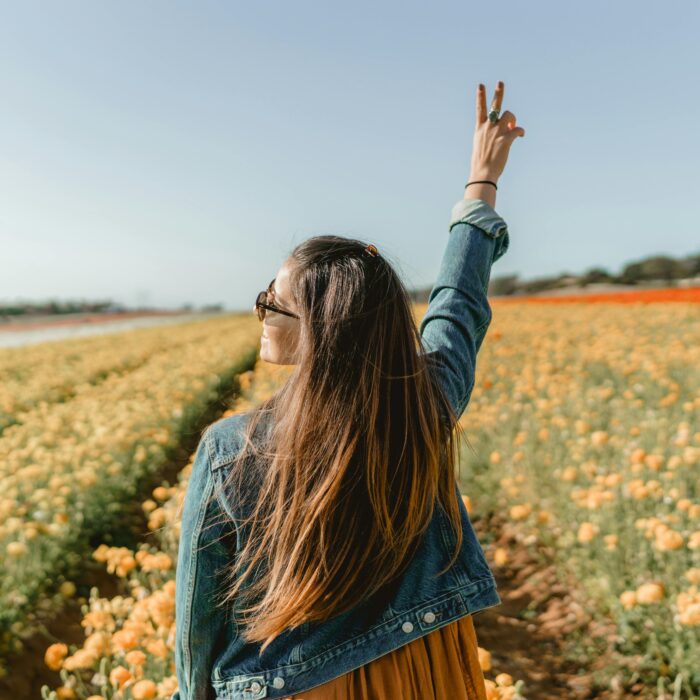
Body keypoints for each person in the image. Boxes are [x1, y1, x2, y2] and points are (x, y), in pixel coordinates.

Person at [173, 80, 524, 700]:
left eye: (272, 304)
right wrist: (482, 181)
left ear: (323, 330)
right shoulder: (424, 407)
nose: (260, 313)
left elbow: (199, 627)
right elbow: (456, 308)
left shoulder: (231, 450)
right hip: (423, 668)